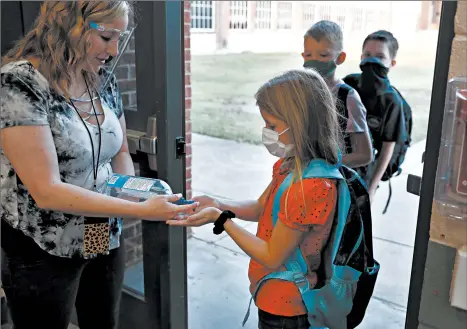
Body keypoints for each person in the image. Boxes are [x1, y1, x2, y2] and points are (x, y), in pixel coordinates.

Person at [0, 2, 198, 329]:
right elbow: (46, 191)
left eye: (119, 37)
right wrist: (143, 211)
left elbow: (119, 150)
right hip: (42, 246)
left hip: (98, 228)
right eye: (106, 36)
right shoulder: (18, 85)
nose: (114, 49)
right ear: (70, 26)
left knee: (101, 318)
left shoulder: (100, 78)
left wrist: (134, 192)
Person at [169, 69, 342, 329]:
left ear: (301, 123)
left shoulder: (310, 188)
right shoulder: (291, 166)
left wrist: (221, 219)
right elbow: (262, 207)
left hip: (287, 308)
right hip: (272, 294)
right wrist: (219, 205)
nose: (266, 132)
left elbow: (272, 256)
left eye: (272, 125)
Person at [343, 30, 410, 204]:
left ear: (391, 63)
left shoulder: (391, 101)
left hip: (363, 173)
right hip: (338, 163)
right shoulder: (348, 84)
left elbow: (388, 148)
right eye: (367, 55)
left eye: (380, 57)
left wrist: (370, 190)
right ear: (360, 57)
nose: (371, 60)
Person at [302, 20, 373, 170]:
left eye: (323, 54)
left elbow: (365, 155)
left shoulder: (348, 97)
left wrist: (326, 164)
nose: (314, 61)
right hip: (305, 176)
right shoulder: (302, 91)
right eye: (308, 55)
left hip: (334, 180)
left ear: (340, 58)